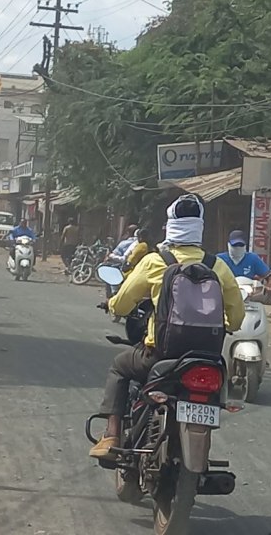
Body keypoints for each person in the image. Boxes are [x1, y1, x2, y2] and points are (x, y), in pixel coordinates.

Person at [89, 195, 245, 460]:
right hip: (207, 358)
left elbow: (124, 303)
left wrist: (112, 305)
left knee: (119, 366)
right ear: (200, 227)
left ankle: (112, 434)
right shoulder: (217, 266)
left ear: (171, 225)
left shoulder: (155, 261)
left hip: (160, 356)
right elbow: (238, 317)